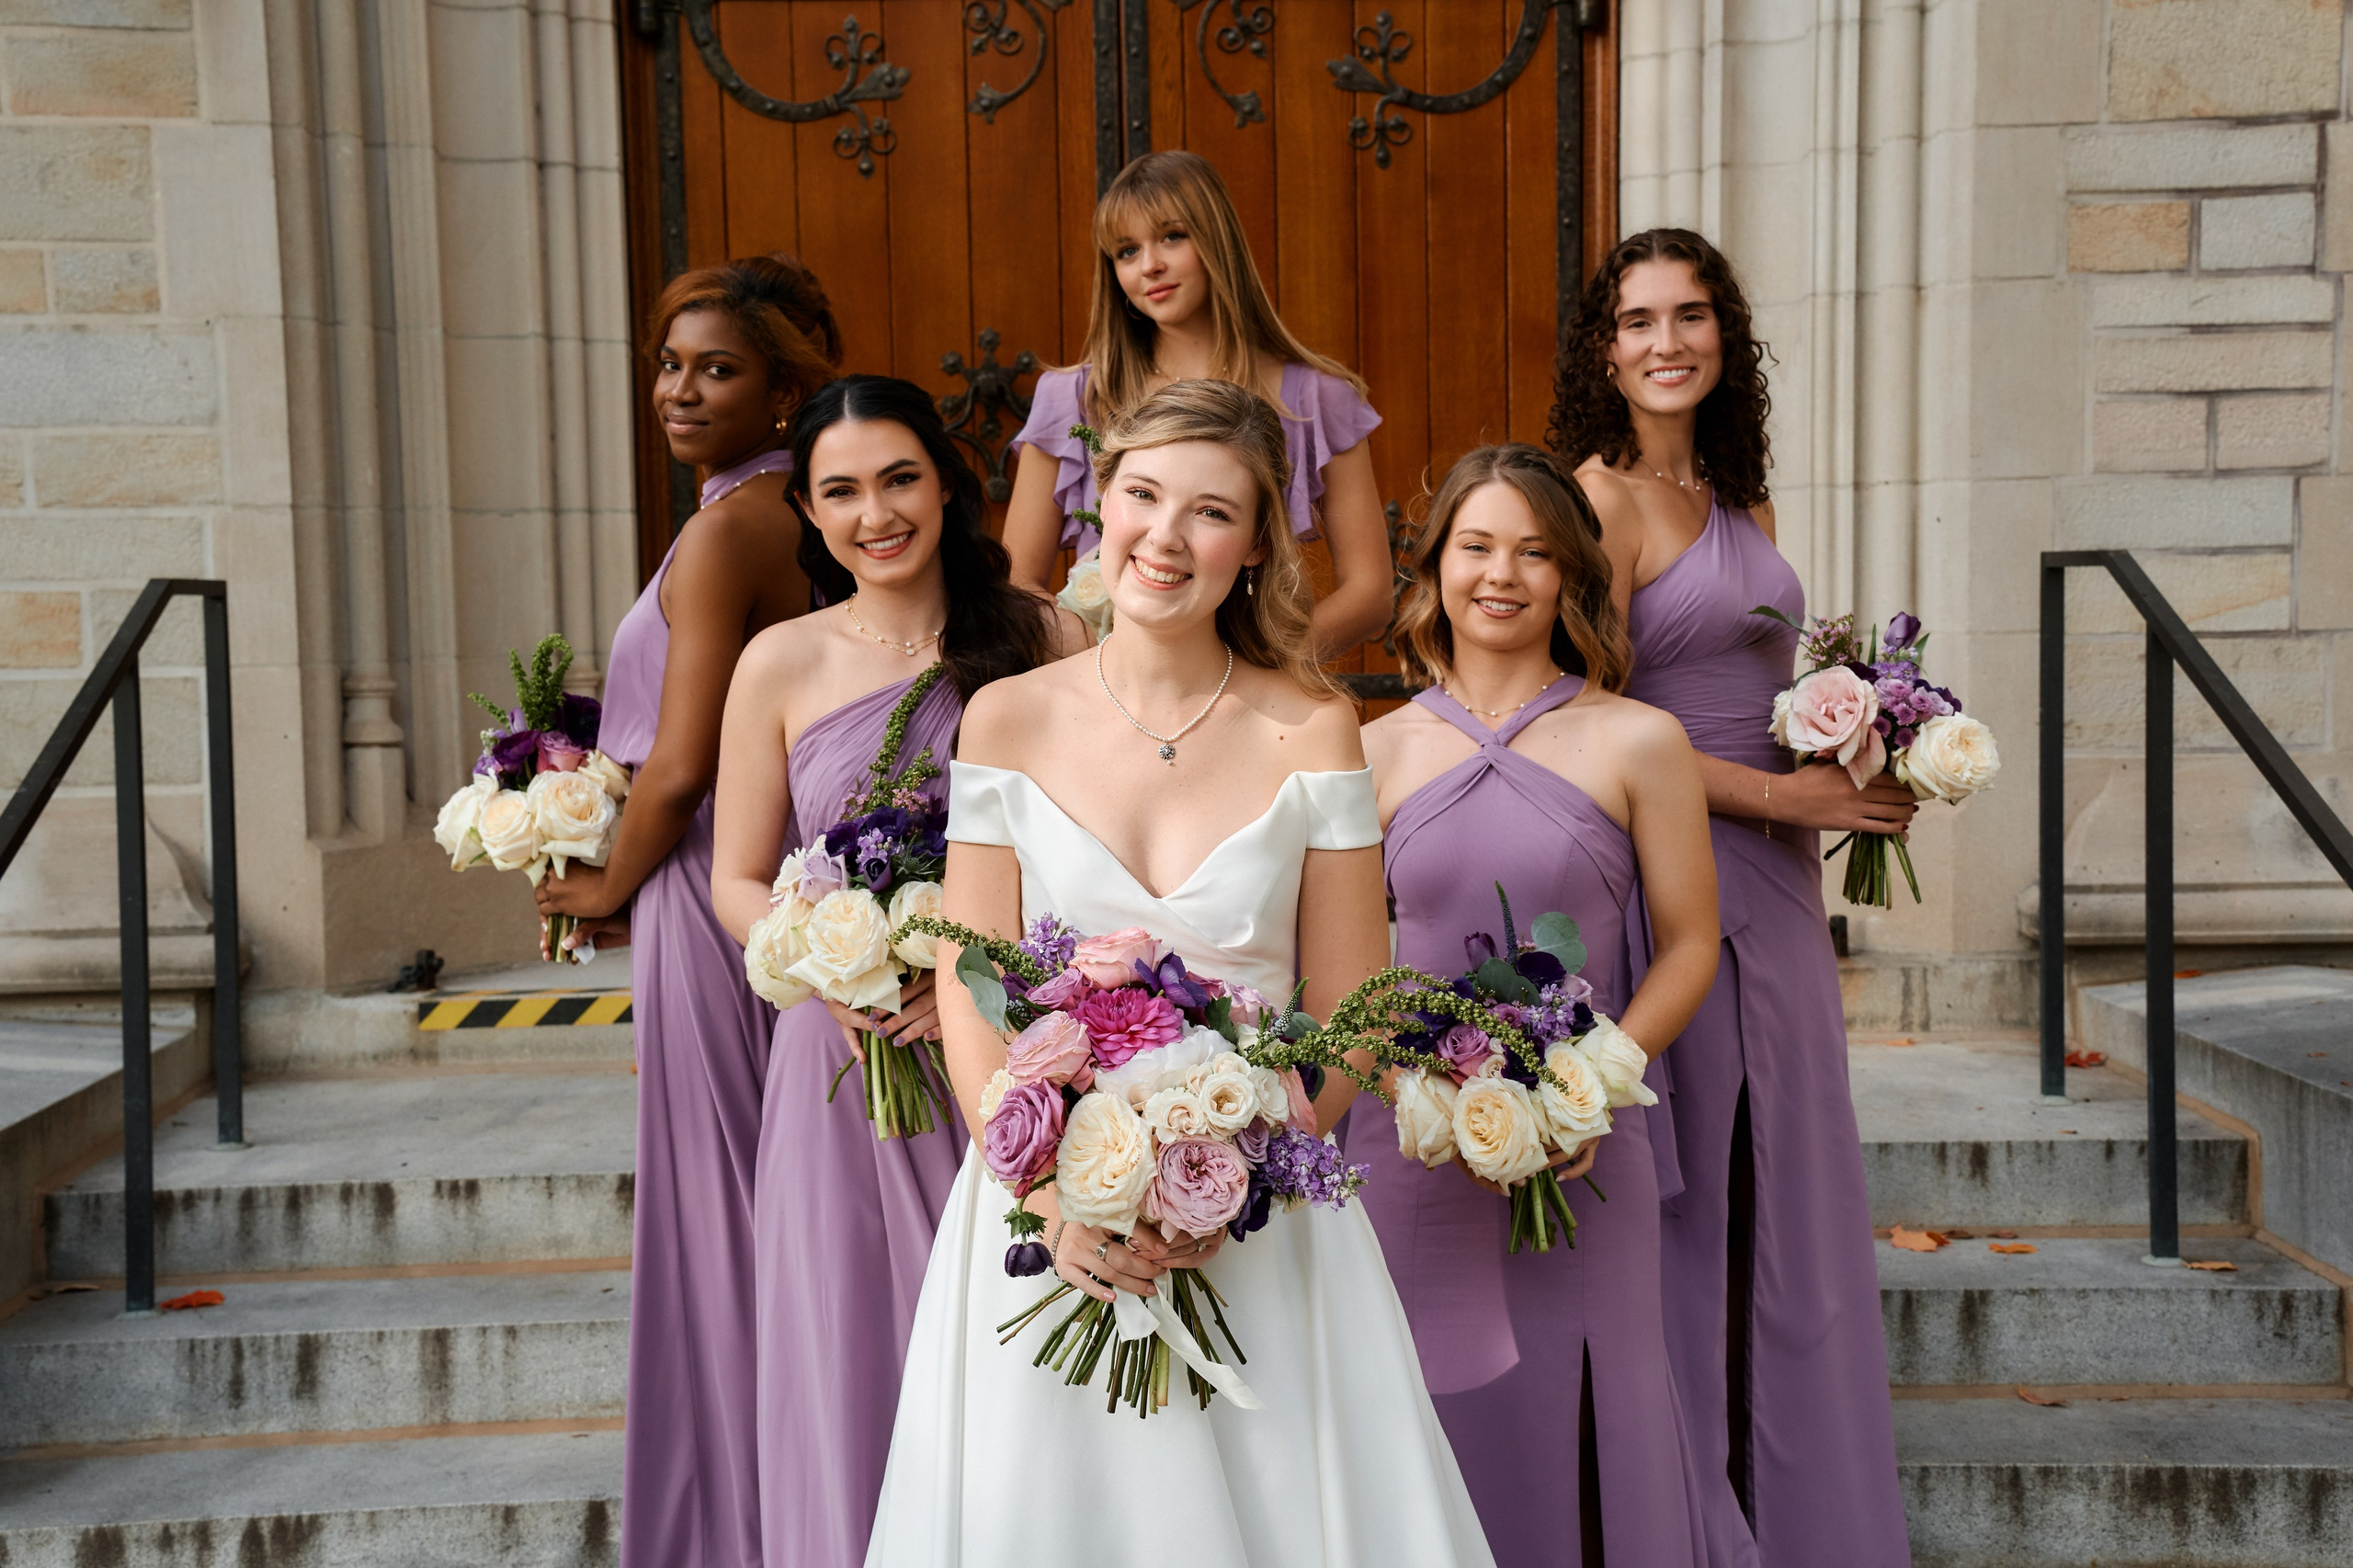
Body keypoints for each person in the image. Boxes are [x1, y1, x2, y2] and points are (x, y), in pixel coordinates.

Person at [864, 380, 1493, 1567]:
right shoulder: (1005, 716)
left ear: (1255, 544)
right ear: (1101, 505)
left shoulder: (1312, 727)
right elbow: (969, 978)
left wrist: (1240, 1168)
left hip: (1258, 1229)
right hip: (1046, 1214)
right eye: (1143, 495)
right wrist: (1050, 1196)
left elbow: (1350, 1007)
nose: (1165, 534)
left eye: (1210, 511)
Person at [1552, 228, 1915, 1567]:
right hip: (1678, 877)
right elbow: (1588, 717)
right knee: (1699, 1202)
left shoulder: (1736, 501)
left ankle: (1802, 1507)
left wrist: (1860, 750)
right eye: (1638, 319)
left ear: (1725, 338)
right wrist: (1785, 798)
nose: (1666, 341)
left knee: (1789, 1193)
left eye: (1692, 315)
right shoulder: (1597, 503)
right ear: (1605, 350)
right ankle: (1691, 1517)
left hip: (1781, 880)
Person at [709, 374, 1078, 1567]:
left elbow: (1093, 863)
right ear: (810, 515)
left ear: (947, 480)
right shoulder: (778, 661)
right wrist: (834, 964)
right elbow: (736, 875)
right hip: (838, 1067)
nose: (877, 512)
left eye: (900, 477)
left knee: (1009, 1352)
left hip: (1011, 1056)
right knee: (847, 1356)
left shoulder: (1041, 637)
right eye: (842, 491)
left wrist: (980, 971)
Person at [1348, 443, 1736, 1568]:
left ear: (1571, 574)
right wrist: (1405, 1086)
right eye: (1475, 546)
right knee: (1423, 1404)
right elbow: (1335, 965)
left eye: (1533, 551)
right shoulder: (1367, 750)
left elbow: (1690, 942)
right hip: (1410, 1145)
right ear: (1435, 572)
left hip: (1586, 1134)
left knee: (1588, 1396)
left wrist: (1585, 1082)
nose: (1500, 574)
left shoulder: (1639, 739)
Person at [537, 255, 841, 1568]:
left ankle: (736, 1522)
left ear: (784, 394)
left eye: (717, 368)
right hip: (749, 882)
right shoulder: (773, 512)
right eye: (670, 362)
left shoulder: (734, 526)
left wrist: (608, 877)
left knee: (716, 1209)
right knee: (746, 1197)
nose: (679, 388)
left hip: (709, 886)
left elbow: (683, 757)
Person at [1000, 149, 1392, 658]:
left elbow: (1371, 594)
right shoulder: (1072, 397)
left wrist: (1257, 671)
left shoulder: (1316, 399)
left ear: (1218, 239)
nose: (1150, 265)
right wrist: (1100, 669)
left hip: (1252, 700)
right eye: (1125, 251)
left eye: (1172, 236)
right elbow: (1017, 585)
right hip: (1103, 694)